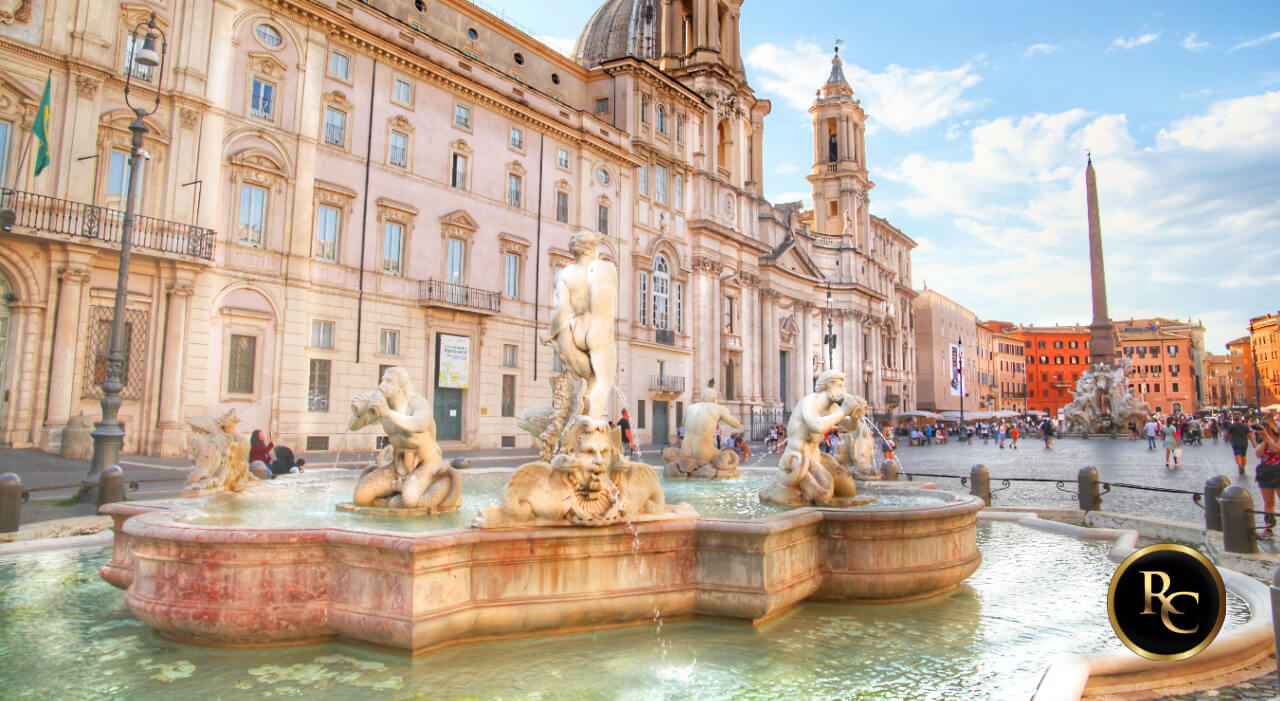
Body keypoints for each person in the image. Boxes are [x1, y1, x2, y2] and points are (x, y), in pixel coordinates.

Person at [540, 231, 618, 419]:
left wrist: (550, 333)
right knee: (604, 380)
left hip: (577, 331)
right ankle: (593, 424)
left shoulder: (564, 275)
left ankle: (579, 411)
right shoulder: (606, 268)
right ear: (591, 248)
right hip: (599, 330)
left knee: (589, 381)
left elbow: (561, 310)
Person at [1253, 416, 1280, 539]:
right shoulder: (1262, 440)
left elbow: (1276, 449)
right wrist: (1264, 438)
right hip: (1265, 473)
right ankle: (1268, 528)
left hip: (1278, 471)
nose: (1266, 429)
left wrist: (1268, 437)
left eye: (1268, 426)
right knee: (1268, 503)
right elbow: (1258, 454)